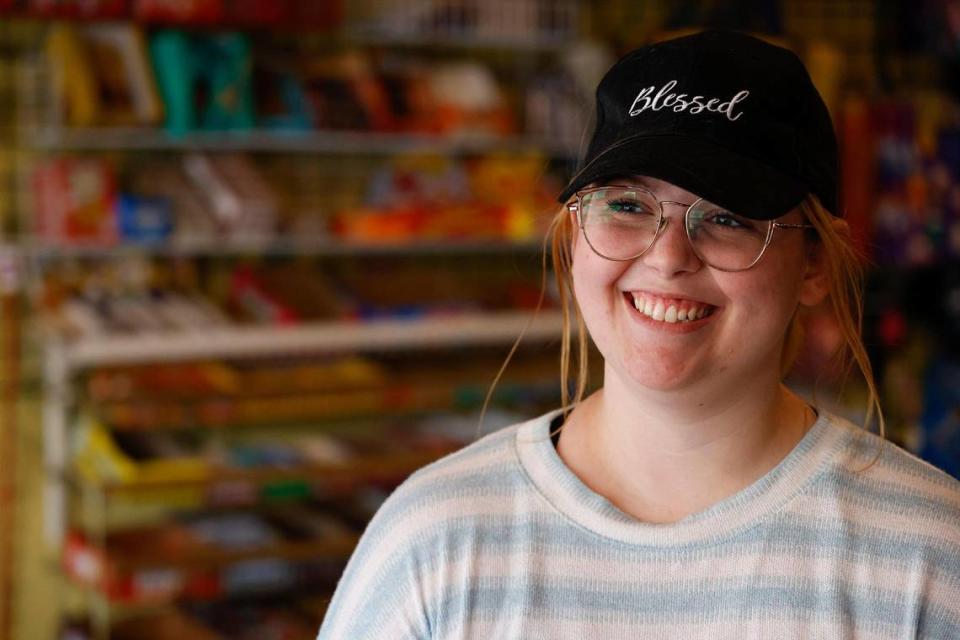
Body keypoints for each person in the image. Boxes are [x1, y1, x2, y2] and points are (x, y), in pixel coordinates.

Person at [317, 29, 960, 639]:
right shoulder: (434, 541)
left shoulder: (929, 554)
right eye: (627, 206)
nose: (668, 256)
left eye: (728, 218)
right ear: (573, 236)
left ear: (815, 264)